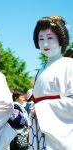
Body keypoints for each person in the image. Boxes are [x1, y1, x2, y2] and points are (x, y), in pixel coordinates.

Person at [29, 16, 73, 149]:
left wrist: (42, 108)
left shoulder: (69, 64)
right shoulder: (41, 69)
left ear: (61, 38)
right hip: (38, 129)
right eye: (41, 39)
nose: (45, 44)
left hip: (61, 134)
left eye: (49, 38)